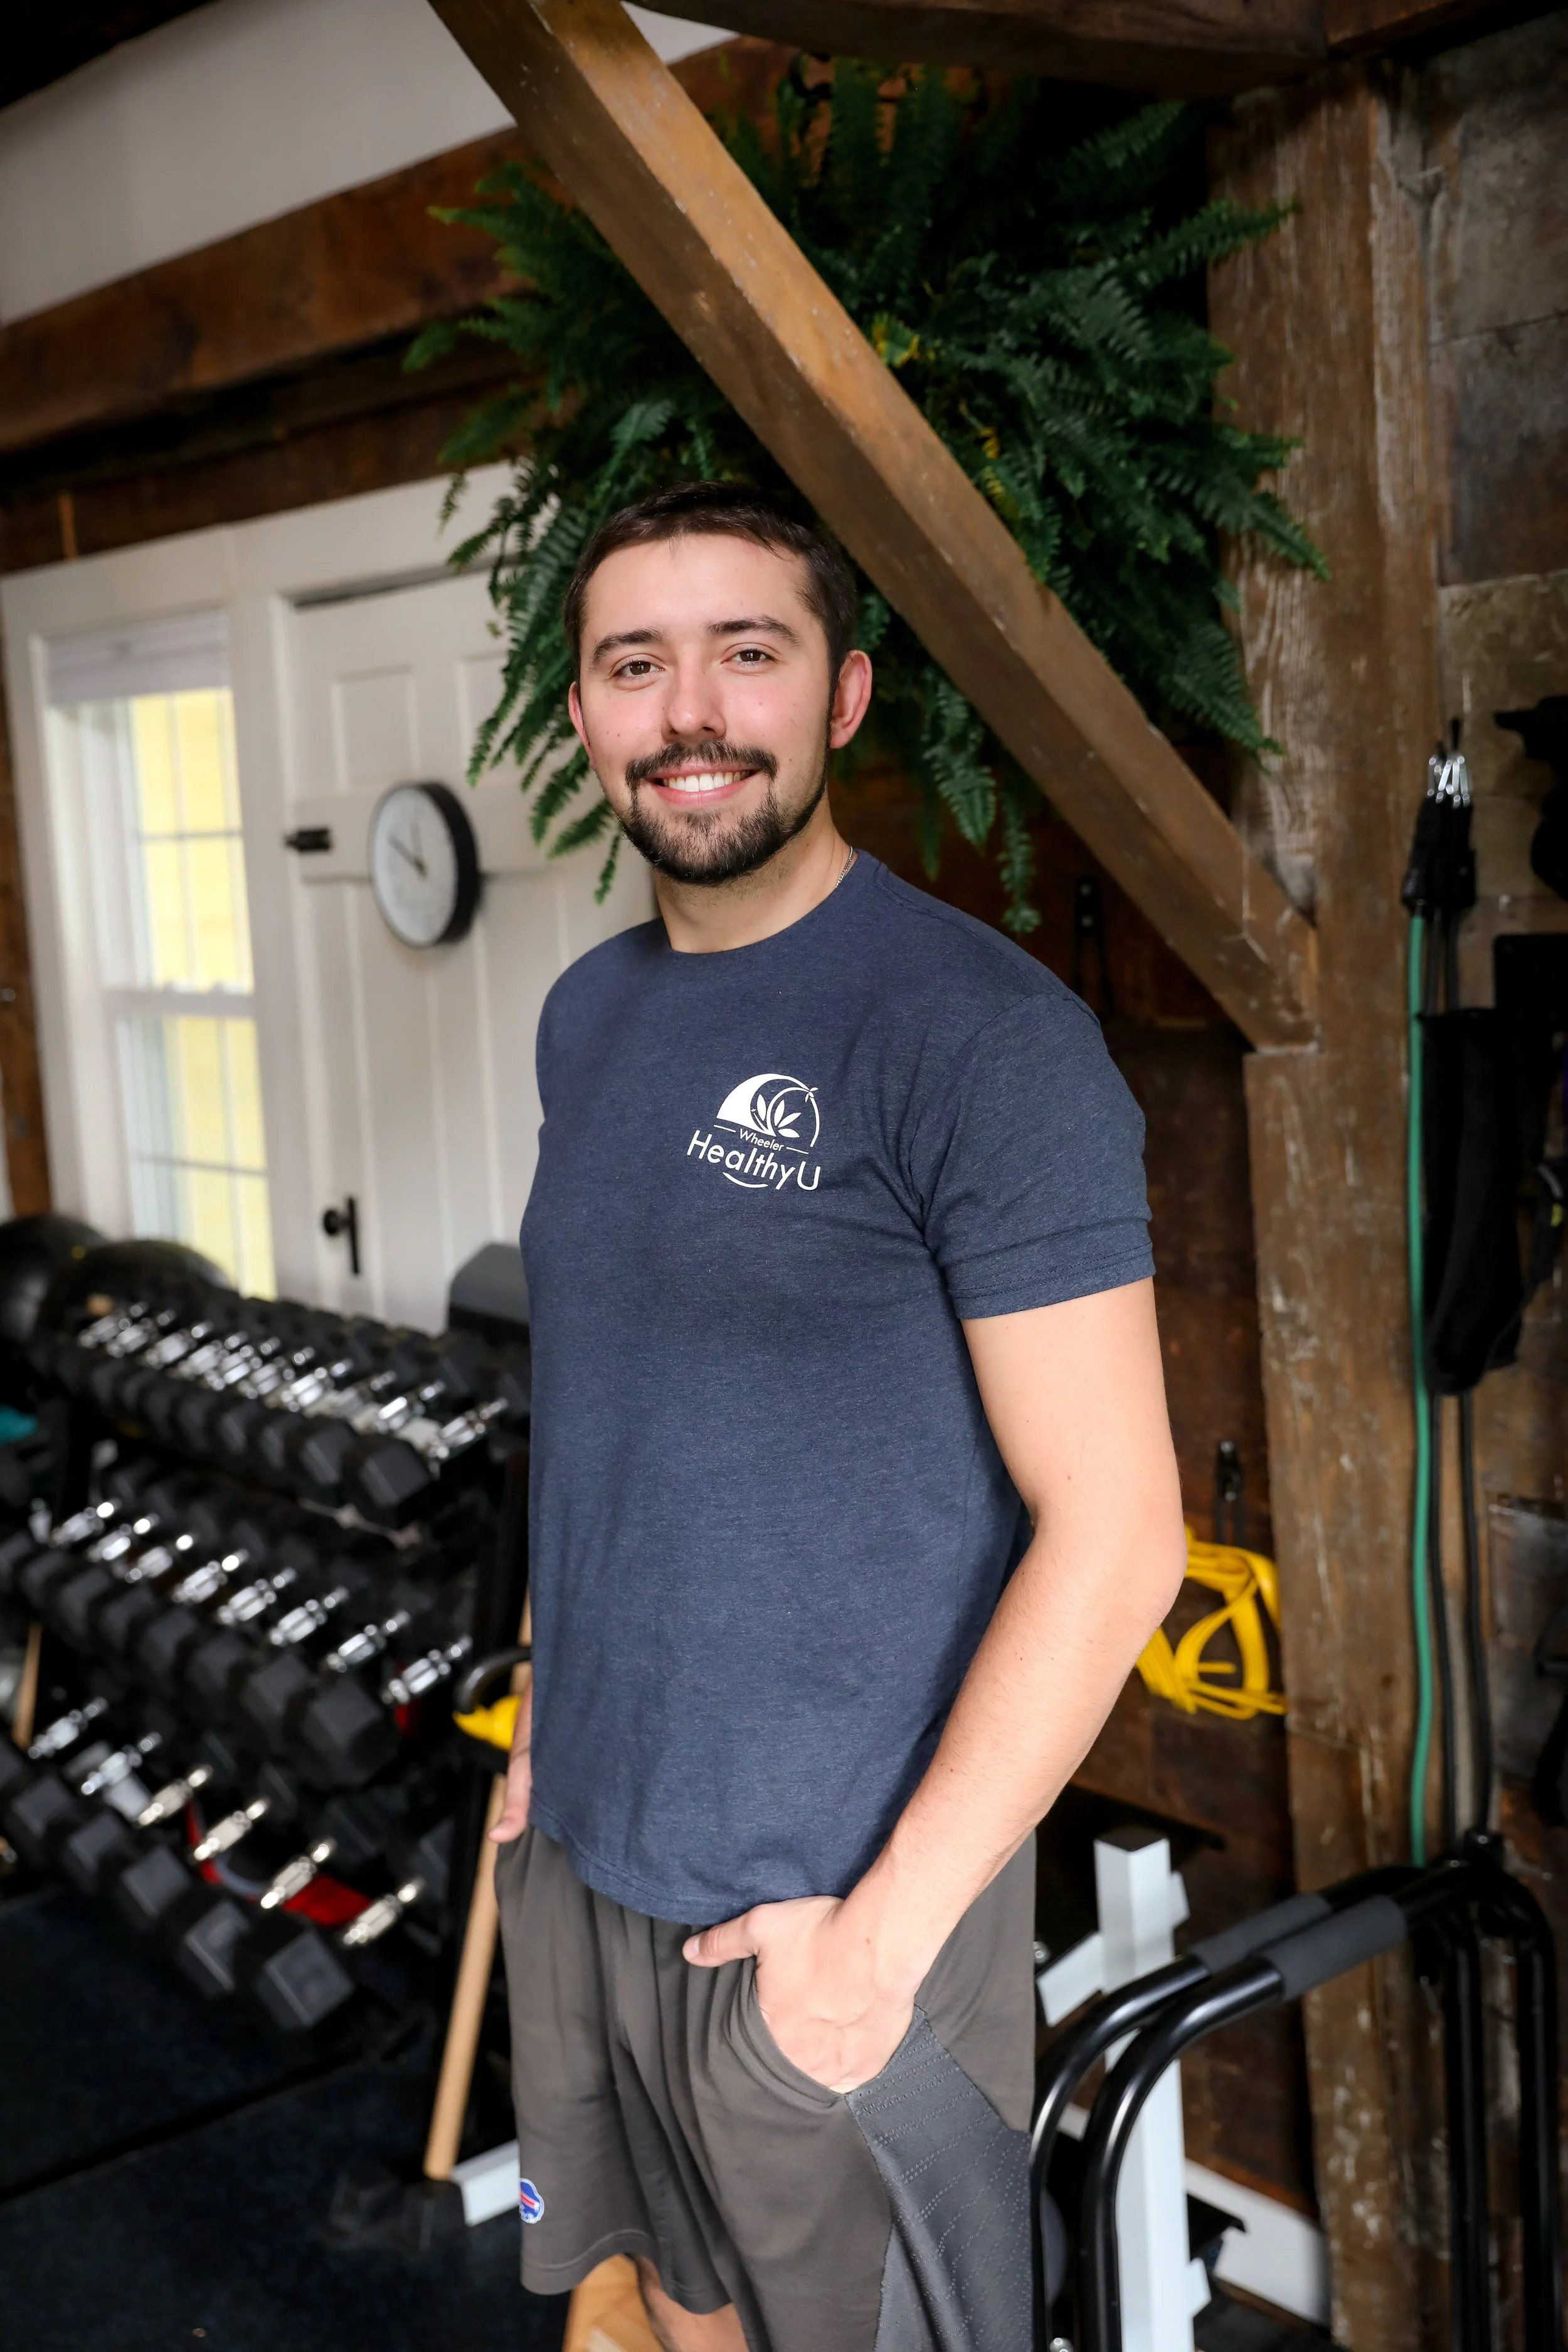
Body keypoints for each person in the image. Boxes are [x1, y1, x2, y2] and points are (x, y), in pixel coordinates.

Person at [492, 480, 1187, 2352]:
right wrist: (545, 1729)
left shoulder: (976, 1035)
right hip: (580, 1870)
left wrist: (873, 1947)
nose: (690, 708)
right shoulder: (590, 1017)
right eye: (637, 661)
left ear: (847, 697)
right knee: (622, 2290)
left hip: (822, 1926)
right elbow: (617, 1413)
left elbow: (1119, 1534)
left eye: (750, 651)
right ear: (584, 716)